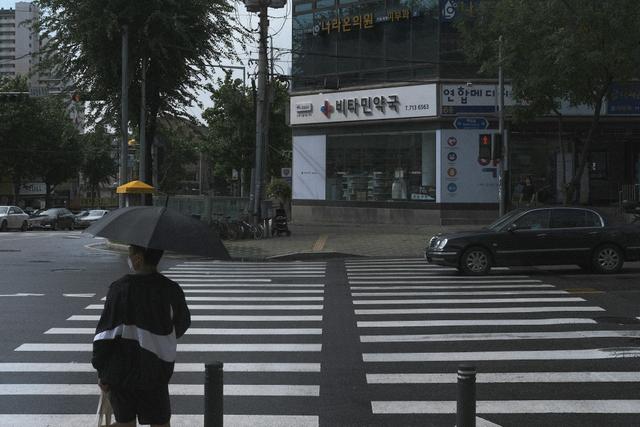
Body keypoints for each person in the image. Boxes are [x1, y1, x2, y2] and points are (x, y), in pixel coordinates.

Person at [92, 244, 191, 427]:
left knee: (125, 422)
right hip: (156, 372)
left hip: (121, 374)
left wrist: (102, 373)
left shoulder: (119, 289)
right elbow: (182, 324)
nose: (128, 258)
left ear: (138, 259)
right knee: (160, 423)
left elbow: (104, 336)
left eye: (129, 253)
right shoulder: (171, 290)